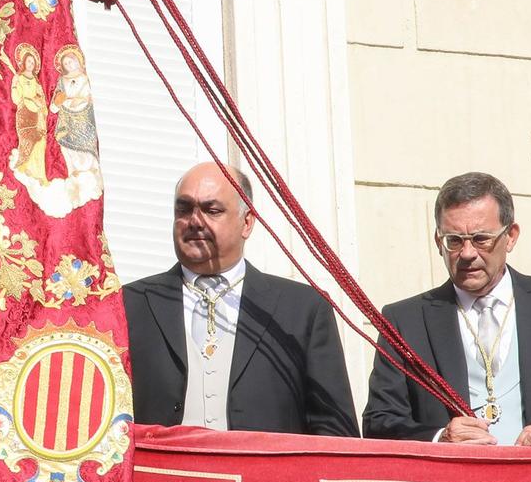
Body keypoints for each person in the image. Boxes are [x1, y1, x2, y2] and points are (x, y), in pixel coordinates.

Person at [362, 171, 531, 449]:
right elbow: (379, 421)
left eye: (480, 239)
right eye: (454, 240)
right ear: (438, 243)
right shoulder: (404, 321)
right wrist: (441, 438)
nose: (467, 253)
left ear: (510, 237)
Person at [122, 161, 358, 436]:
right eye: (184, 209)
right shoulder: (130, 303)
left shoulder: (302, 309)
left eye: (212, 210)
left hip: (266, 477)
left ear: (246, 222)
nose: (195, 222)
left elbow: (335, 430)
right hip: (161, 476)